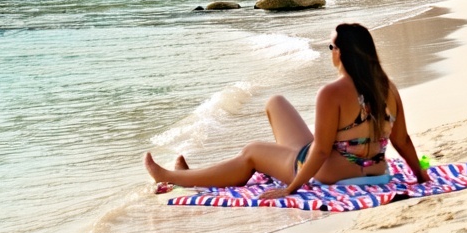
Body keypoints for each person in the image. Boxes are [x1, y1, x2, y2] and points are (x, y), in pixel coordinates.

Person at [144, 23, 430, 196]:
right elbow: (401, 140)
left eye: (331, 46)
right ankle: (196, 173)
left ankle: (170, 176)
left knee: (253, 152)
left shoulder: (331, 93)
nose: (330, 51)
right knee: (275, 103)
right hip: (377, 172)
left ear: (341, 52)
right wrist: (421, 176)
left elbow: (319, 152)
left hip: (331, 173)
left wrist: (292, 187)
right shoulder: (387, 87)